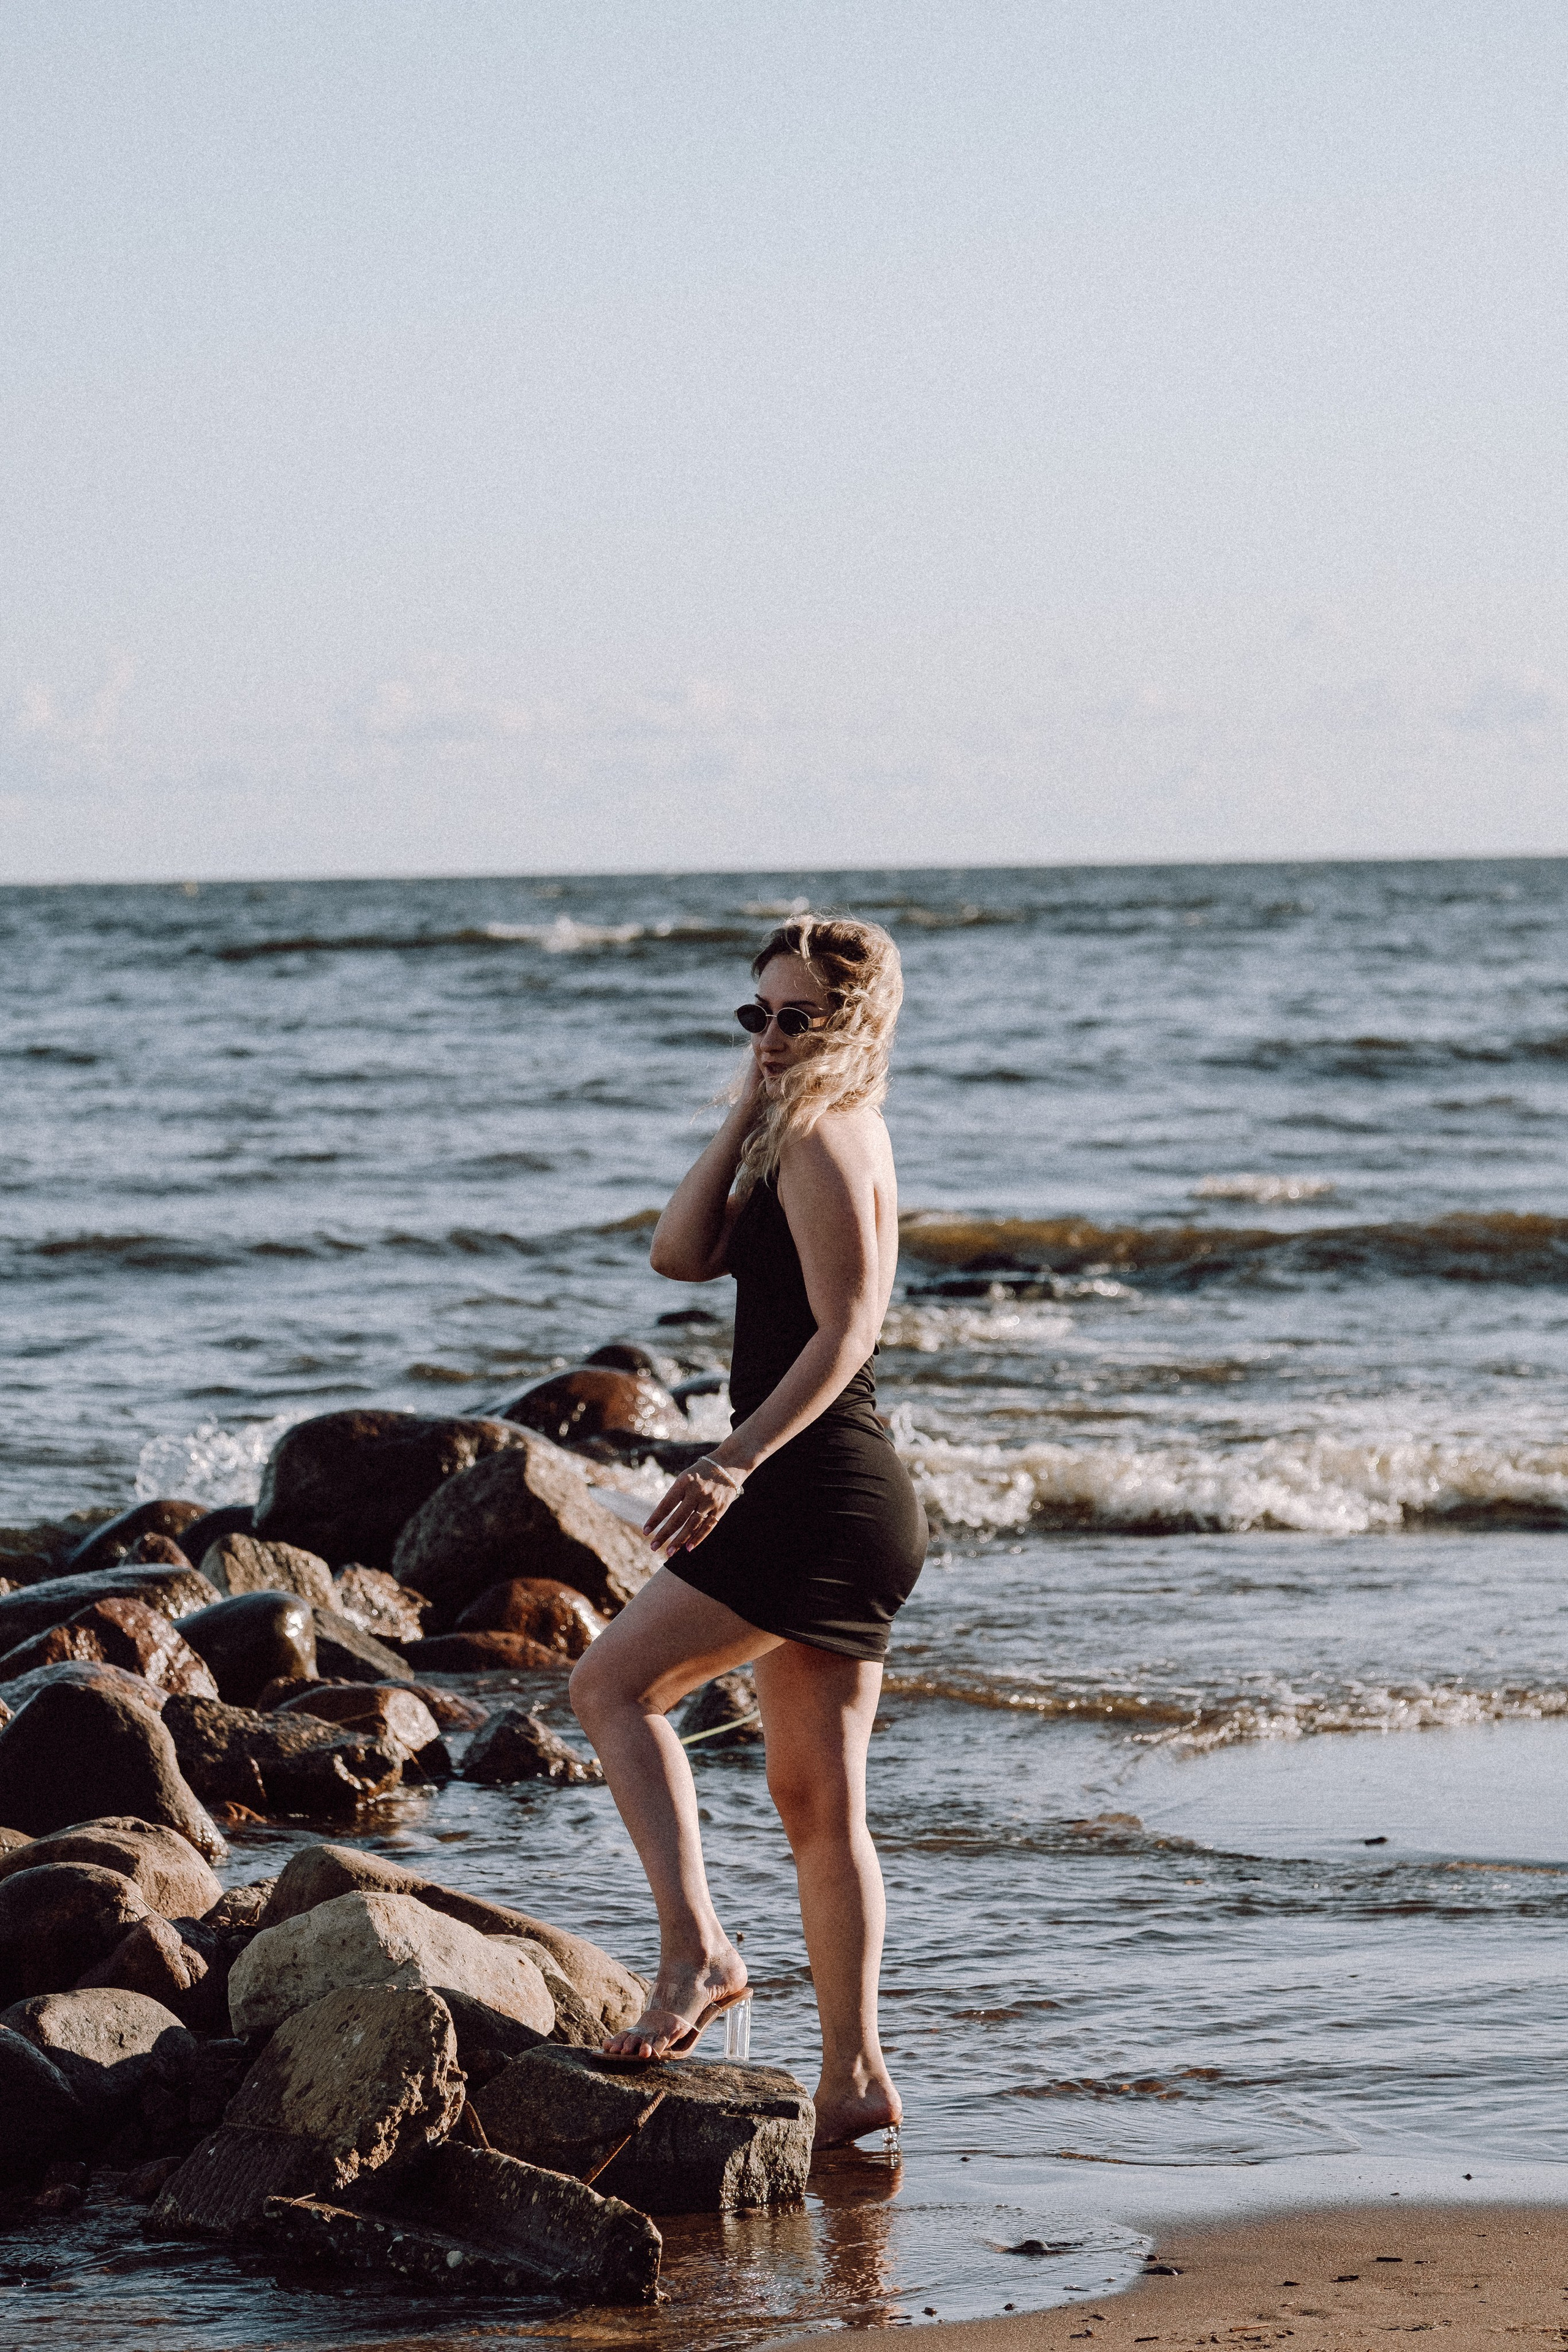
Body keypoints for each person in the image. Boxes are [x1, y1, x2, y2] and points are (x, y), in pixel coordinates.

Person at [569, 913, 927, 2151]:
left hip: (813, 1487)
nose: (773, 1036)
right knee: (814, 1798)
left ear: (856, 1021)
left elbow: (847, 1331)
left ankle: (698, 1953)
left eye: (800, 1018)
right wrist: (741, 1106)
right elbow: (677, 1254)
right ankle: (853, 2078)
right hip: (842, 1493)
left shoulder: (829, 1137)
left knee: (613, 1685)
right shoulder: (804, 1123)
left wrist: (730, 1461)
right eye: (756, 1015)